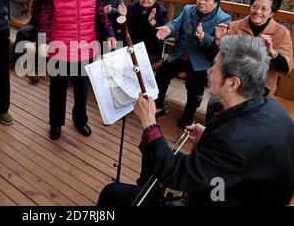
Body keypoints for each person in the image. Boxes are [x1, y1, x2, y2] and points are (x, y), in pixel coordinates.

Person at [98, 35, 294, 206]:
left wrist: (149, 122)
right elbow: (239, 156)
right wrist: (209, 135)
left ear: (233, 83)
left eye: (215, 68)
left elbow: (175, 175)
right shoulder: (272, 108)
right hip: (237, 189)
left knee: (112, 193)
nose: (208, 71)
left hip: (221, 197)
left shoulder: (231, 141)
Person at [37, 0, 117, 140]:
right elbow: (44, 19)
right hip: (60, 49)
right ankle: (55, 123)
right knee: (58, 90)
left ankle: (80, 120)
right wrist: (43, 41)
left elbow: (100, 14)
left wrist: (110, 33)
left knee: (82, 90)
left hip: (85, 48)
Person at [206, 0, 294, 122]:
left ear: (272, 13)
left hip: (261, 87)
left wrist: (272, 52)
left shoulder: (281, 33)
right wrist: (218, 42)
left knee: (244, 117)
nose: (257, 12)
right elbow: (220, 58)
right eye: (255, 6)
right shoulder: (235, 26)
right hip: (232, 79)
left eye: (264, 9)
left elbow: (286, 69)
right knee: (215, 104)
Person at [154, 0, 231, 129]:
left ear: (216, 2)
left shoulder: (223, 19)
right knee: (162, 73)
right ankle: (159, 105)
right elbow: (176, 24)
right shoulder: (188, 9)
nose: (201, 2)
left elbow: (219, 47)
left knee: (195, 85)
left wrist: (204, 38)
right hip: (180, 53)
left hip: (201, 60)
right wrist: (168, 28)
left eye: (206, 0)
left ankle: (188, 116)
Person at [10, 0, 63, 82]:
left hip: (53, 26)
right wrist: (38, 19)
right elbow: (35, 4)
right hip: (37, 21)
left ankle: (38, 69)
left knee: (43, 37)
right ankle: (14, 60)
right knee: (22, 32)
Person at [126, 0, 168, 64]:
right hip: (133, 46)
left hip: (151, 49)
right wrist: (123, 16)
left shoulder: (161, 12)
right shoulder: (132, 7)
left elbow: (163, 32)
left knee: (139, 65)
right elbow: (127, 27)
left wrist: (153, 23)